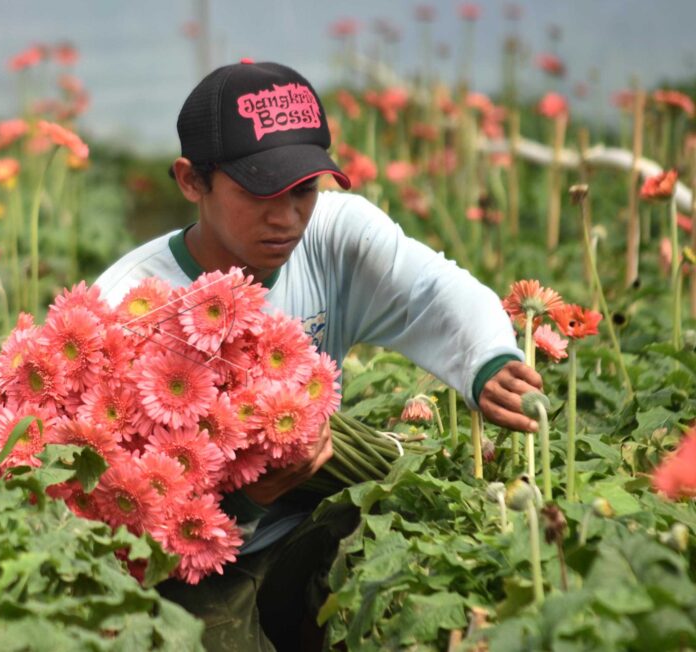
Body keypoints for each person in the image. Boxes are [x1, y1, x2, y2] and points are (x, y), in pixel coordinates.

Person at [93, 60, 542, 651]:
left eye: (302, 191)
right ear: (190, 180)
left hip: (320, 515)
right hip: (197, 564)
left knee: (414, 603)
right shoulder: (128, 309)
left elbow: (435, 290)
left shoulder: (332, 236)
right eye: (258, 192)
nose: (285, 218)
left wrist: (486, 360)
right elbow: (125, 526)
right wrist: (254, 496)